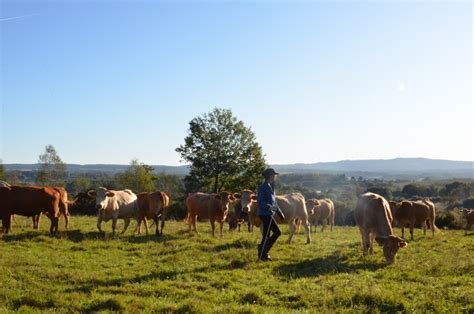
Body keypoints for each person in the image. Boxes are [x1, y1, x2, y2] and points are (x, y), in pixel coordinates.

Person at [257, 168, 285, 261]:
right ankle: (263, 250)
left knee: (266, 235)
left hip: (268, 213)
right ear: (270, 176)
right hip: (264, 213)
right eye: (274, 175)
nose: (275, 176)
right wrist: (269, 207)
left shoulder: (270, 186)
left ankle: (263, 255)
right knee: (278, 232)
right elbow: (260, 202)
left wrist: (279, 212)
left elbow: (274, 202)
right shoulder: (262, 187)